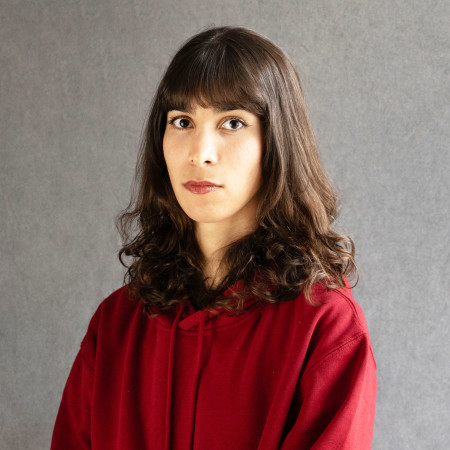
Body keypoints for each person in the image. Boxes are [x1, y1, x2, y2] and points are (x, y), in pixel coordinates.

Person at [51, 26, 376, 449]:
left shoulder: (324, 326)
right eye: (182, 121)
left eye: (232, 122)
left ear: (277, 142)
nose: (199, 153)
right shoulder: (115, 326)